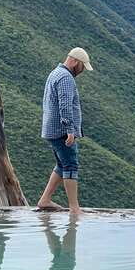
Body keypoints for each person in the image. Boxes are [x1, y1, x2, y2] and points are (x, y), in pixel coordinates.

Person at [37, 47, 93, 214]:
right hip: (62, 130)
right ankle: (74, 208)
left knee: (61, 165)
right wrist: (70, 130)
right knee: (70, 165)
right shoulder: (66, 78)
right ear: (75, 61)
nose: (82, 71)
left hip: (51, 128)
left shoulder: (55, 73)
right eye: (82, 67)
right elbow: (65, 104)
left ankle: (45, 200)